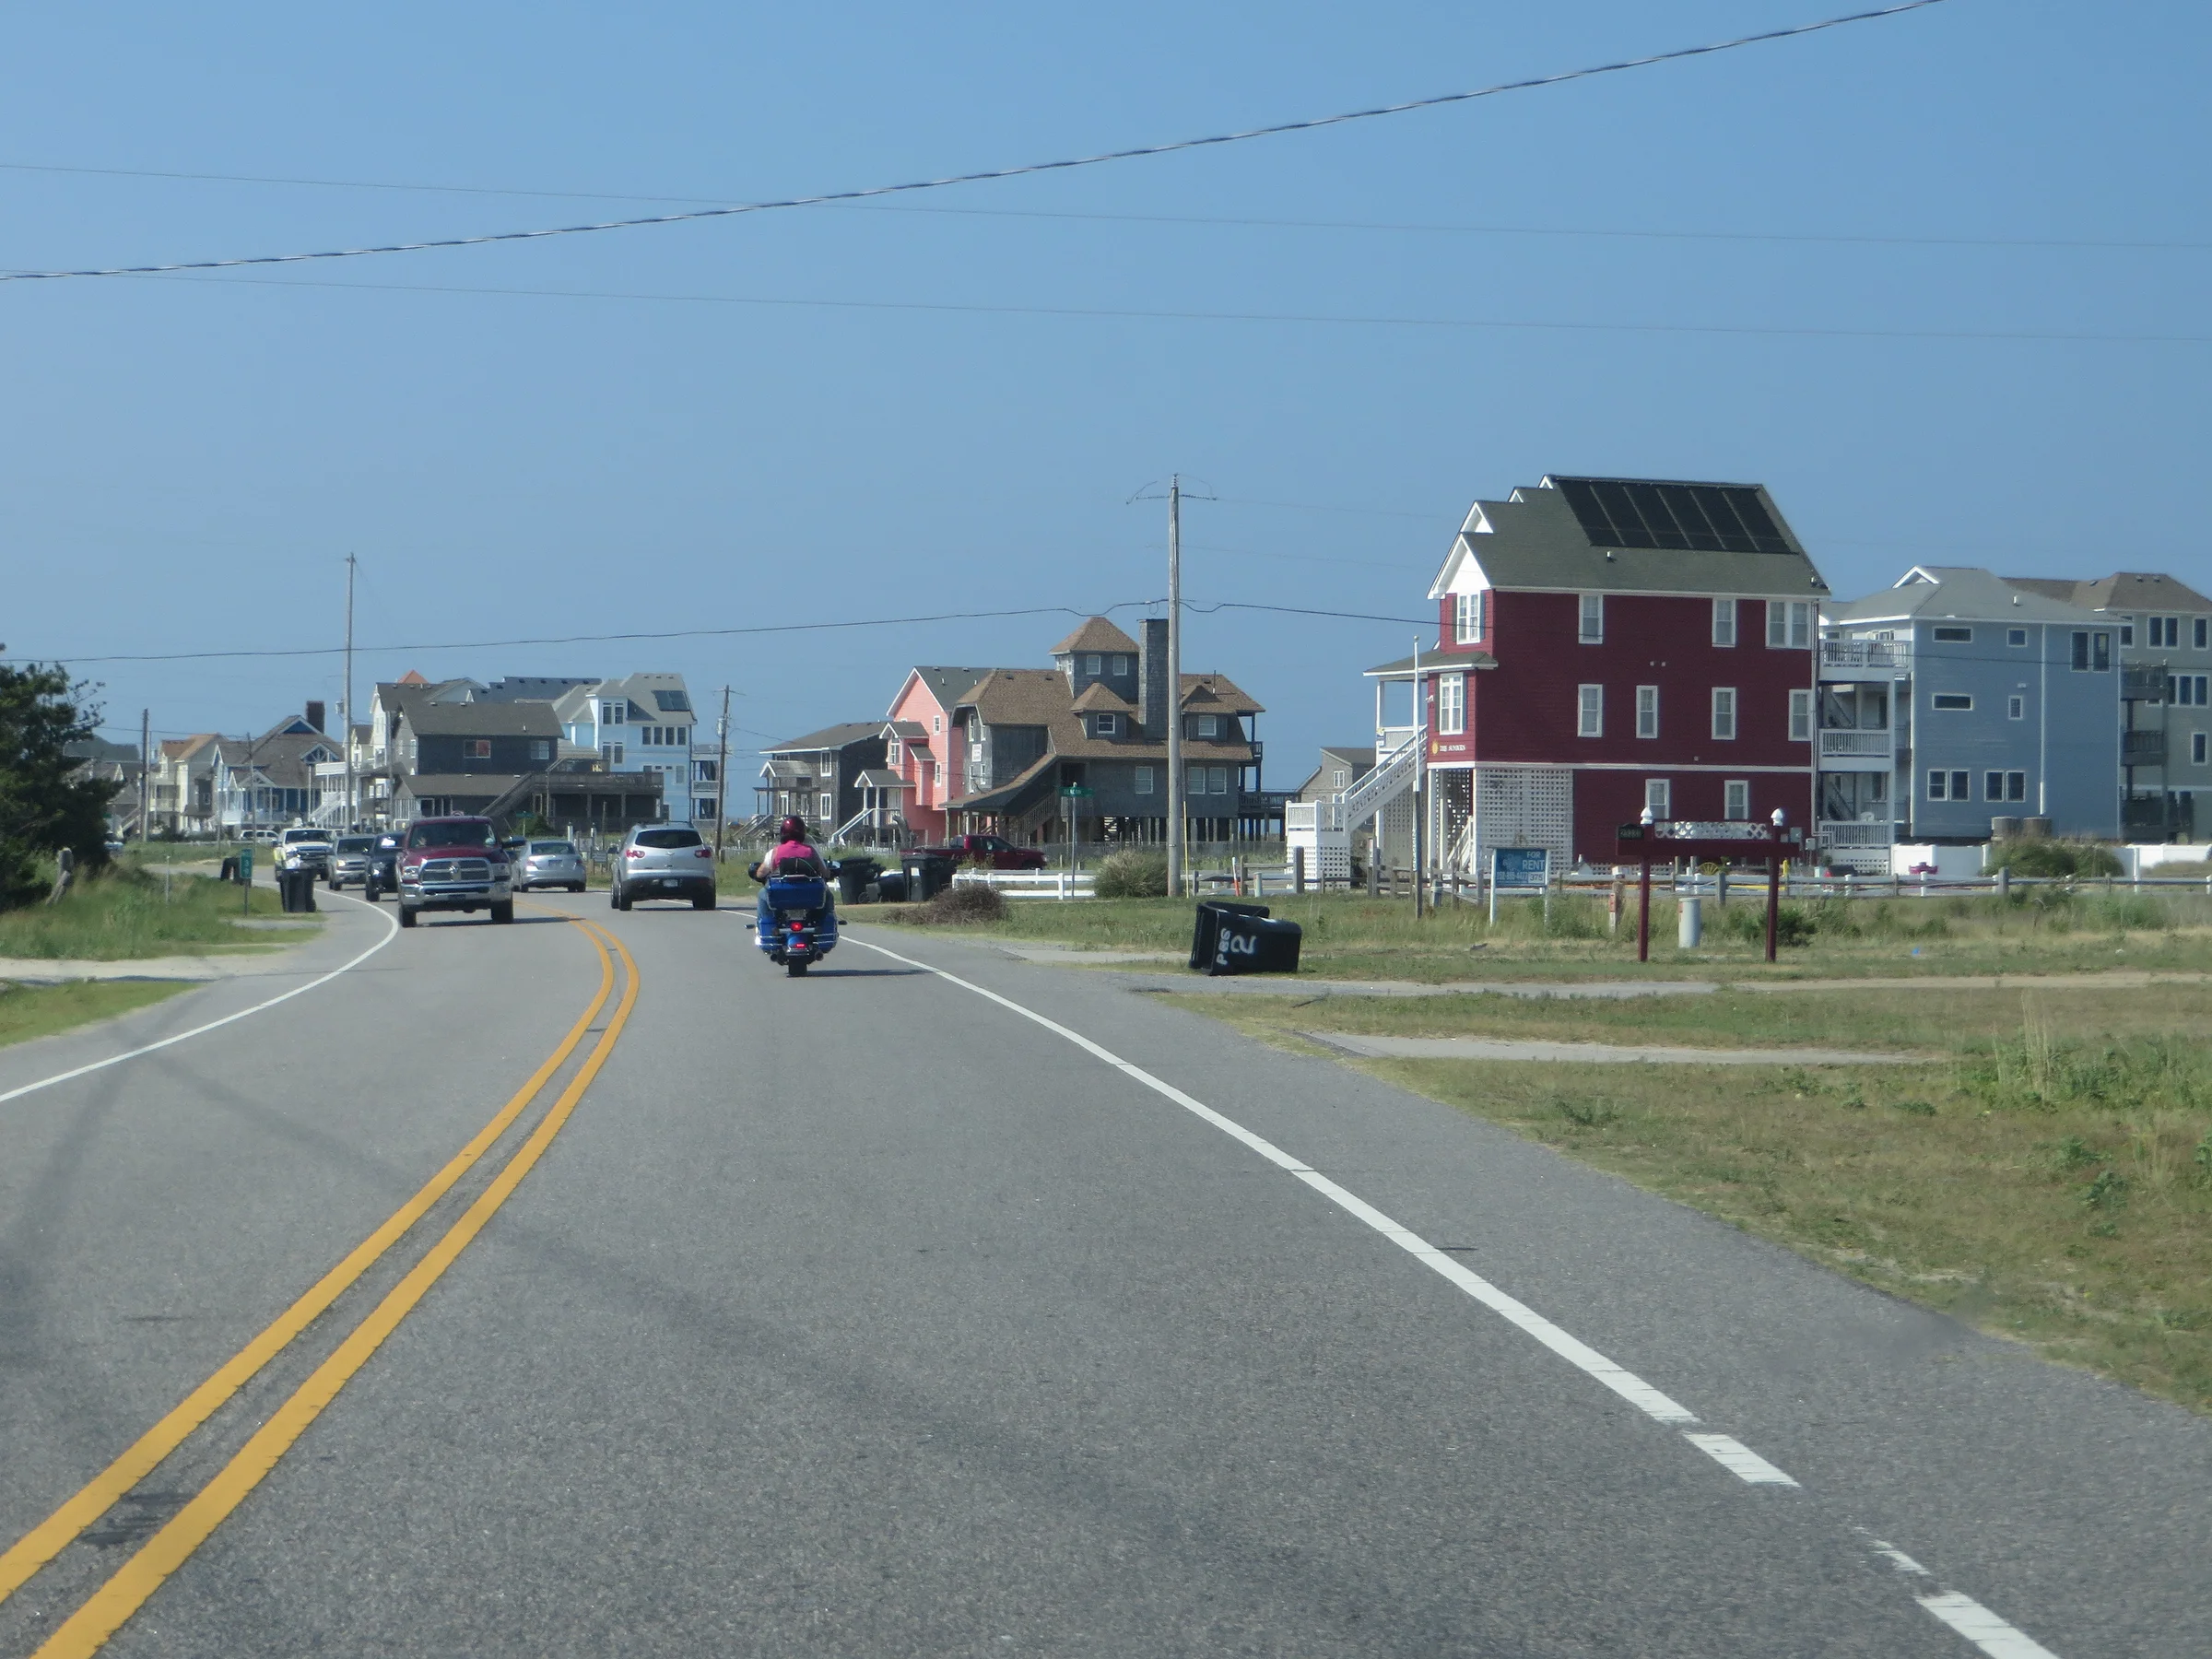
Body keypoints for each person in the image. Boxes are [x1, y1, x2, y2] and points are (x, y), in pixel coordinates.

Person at [751, 817, 829, 939]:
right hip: (809, 895)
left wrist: (756, 873)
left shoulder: (775, 852)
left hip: (781, 896)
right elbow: (825, 873)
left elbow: (761, 873)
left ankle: (766, 929)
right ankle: (825, 928)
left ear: (783, 833)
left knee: (762, 894)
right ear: (802, 832)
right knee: (827, 895)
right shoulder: (811, 851)